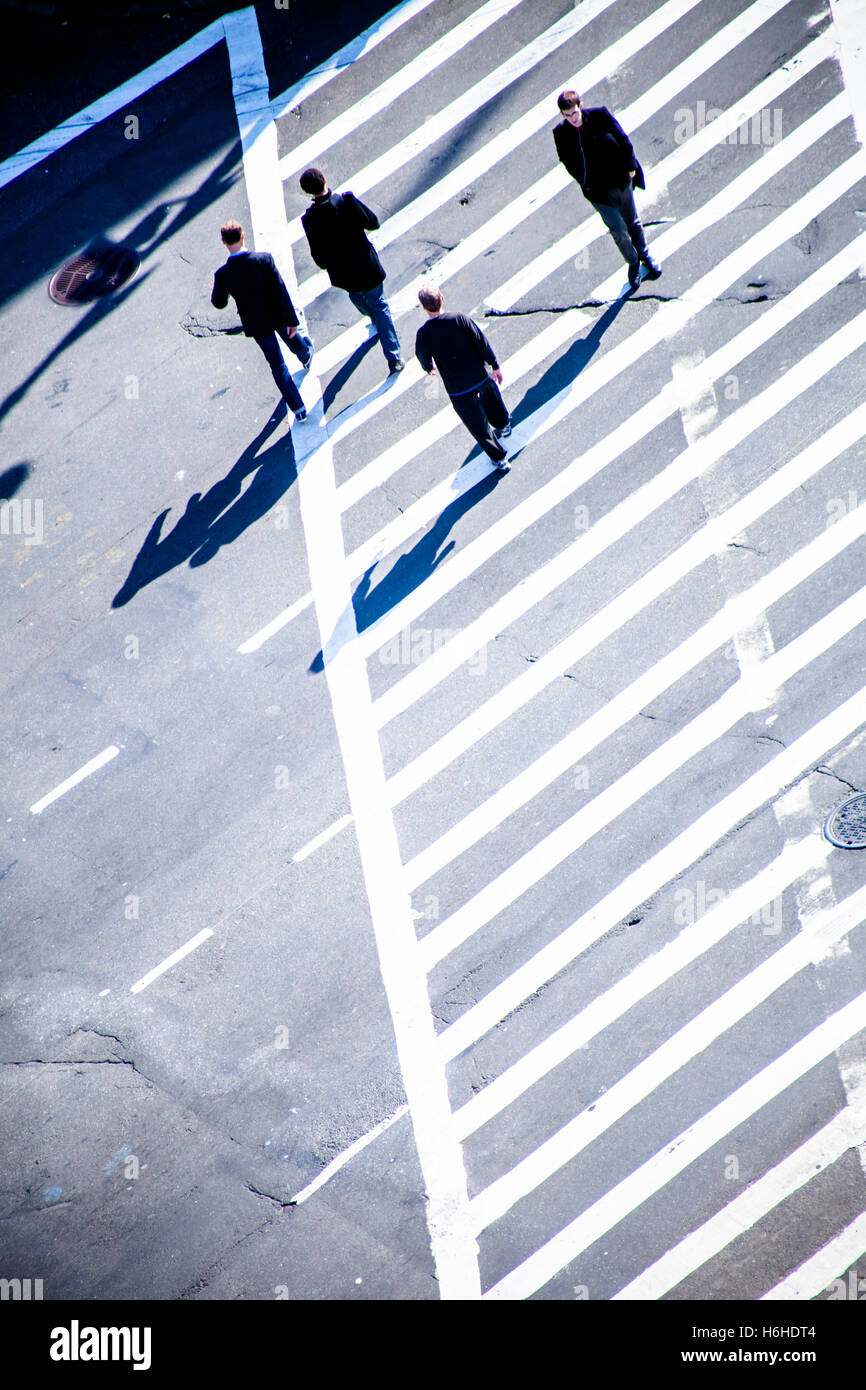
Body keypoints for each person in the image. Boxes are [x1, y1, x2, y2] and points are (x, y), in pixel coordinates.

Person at [553, 90, 661, 292]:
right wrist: (584, 181)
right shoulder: (561, 134)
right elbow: (568, 162)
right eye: (567, 115)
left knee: (633, 221)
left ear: (580, 106)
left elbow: (622, 138)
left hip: (619, 180)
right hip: (597, 192)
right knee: (618, 231)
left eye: (574, 113)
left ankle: (645, 254)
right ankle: (633, 262)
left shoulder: (600, 115)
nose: (572, 119)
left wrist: (630, 167)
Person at [299, 168, 404, 375]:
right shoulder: (346, 202)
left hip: (344, 275)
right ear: (324, 180)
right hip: (366, 265)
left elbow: (319, 258)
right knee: (379, 305)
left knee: (361, 300)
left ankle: (375, 320)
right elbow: (373, 223)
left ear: (307, 192)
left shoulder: (310, 219)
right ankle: (394, 357)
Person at [211, 221, 311, 421]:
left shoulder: (223, 274)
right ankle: (306, 355)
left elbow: (219, 303)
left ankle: (298, 409)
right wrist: (292, 319)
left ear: (223, 242)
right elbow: (280, 291)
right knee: (292, 338)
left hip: (255, 323)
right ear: (243, 236)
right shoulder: (264, 260)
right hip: (277, 314)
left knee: (277, 365)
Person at [415, 286, 511, 471]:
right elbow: (481, 342)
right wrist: (495, 365)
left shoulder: (424, 333)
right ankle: (504, 425)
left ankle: (499, 459)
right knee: (494, 404)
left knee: (478, 426)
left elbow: (422, 355)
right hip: (481, 377)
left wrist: (428, 367)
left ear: (424, 308)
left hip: (458, 389)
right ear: (442, 298)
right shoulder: (459, 318)